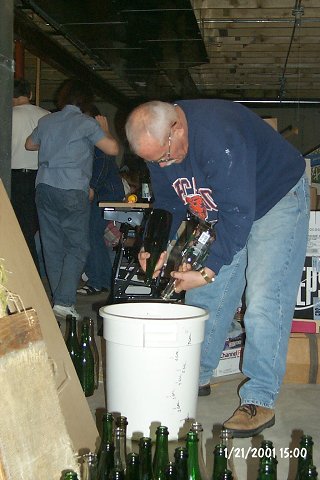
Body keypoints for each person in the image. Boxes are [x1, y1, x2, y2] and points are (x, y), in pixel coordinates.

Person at [125, 99, 310, 438]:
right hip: (229, 206)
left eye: (165, 157)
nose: (163, 165)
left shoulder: (218, 135)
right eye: (154, 162)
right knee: (207, 297)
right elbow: (168, 200)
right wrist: (154, 246)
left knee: (264, 298)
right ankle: (196, 374)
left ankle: (260, 397)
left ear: (177, 129)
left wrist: (208, 269)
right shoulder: (160, 147)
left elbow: (239, 213)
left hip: (276, 198)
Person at [25, 79, 119, 320]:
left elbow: (29, 144)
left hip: (44, 187)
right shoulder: (86, 123)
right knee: (78, 246)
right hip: (72, 189)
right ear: (86, 101)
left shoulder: (46, 120)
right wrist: (105, 130)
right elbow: (112, 150)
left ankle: (60, 302)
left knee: (52, 245)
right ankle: (65, 301)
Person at [77, 106, 125, 296]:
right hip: (106, 191)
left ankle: (98, 281)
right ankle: (103, 280)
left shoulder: (95, 136)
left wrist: (92, 187)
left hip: (104, 193)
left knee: (92, 234)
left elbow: (102, 163)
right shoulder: (95, 135)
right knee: (94, 235)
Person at [11, 78, 49, 272]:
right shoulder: (47, 116)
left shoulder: (6, 116)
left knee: (18, 229)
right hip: (43, 177)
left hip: (14, 178)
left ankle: (27, 271)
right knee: (41, 228)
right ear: (31, 95)